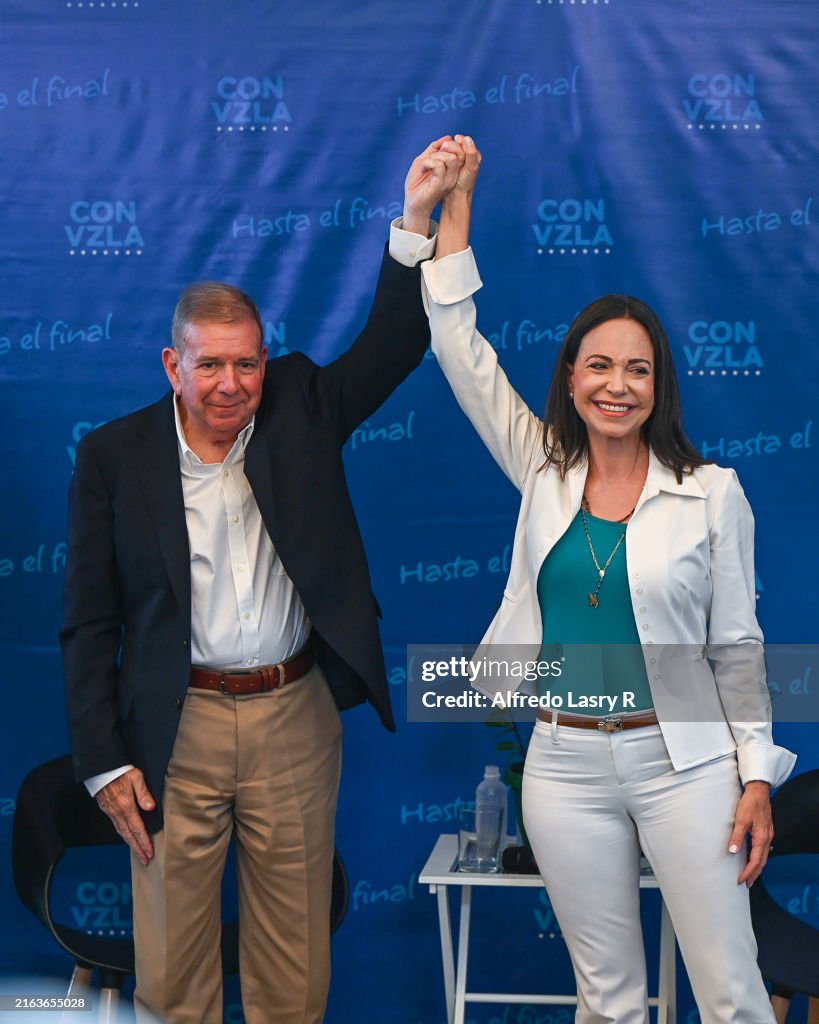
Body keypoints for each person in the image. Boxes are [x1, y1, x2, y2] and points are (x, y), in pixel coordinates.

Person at [61, 139, 465, 1024]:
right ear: (174, 366)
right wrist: (101, 758)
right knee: (171, 973)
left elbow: (396, 342)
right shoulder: (113, 458)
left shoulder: (301, 404)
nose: (232, 384)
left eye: (246, 362)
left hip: (293, 714)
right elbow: (89, 623)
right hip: (174, 728)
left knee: (293, 968)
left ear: (265, 358)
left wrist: (414, 218)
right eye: (209, 365)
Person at [398, 135, 796, 1024]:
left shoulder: (711, 494)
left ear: (658, 387)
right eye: (600, 365)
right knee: (608, 999)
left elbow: (736, 646)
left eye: (638, 369)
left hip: (682, 764)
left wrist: (756, 777)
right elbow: (460, 350)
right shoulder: (541, 468)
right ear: (571, 378)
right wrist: (449, 217)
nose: (618, 385)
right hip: (562, 762)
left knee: (730, 993)